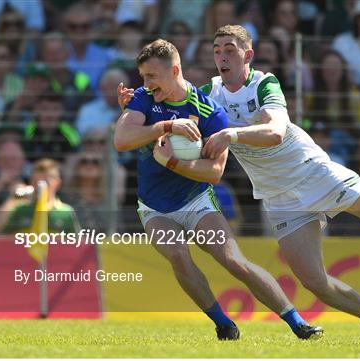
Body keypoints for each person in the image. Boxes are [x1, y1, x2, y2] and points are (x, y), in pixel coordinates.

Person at [118, 25, 360, 342]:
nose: (221, 56)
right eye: (216, 50)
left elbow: (274, 132)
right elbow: (166, 90)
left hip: (313, 173)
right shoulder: (208, 94)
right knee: (314, 281)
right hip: (279, 196)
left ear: (247, 55)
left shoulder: (264, 83)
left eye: (229, 49)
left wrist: (232, 134)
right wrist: (135, 99)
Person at [114, 39, 322, 341]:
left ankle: (297, 322)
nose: (145, 83)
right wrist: (166, 127)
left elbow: (213, 173)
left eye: (151, 76)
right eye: (143, 76)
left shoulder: (209, 110)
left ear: (174, 70)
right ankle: (223, 323)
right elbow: (121, 140)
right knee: (178, 255)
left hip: (197, 201)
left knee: (234, 261)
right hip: (155, 206)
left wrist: (171, 162)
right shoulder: (144, 99)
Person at [0, 158, 80, 234]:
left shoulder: (65, 212)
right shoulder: (21, 210)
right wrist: (13, 198)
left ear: (57, 183)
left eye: (45, 183)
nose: (40, 187)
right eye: (36, 182)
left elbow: (77, 244)